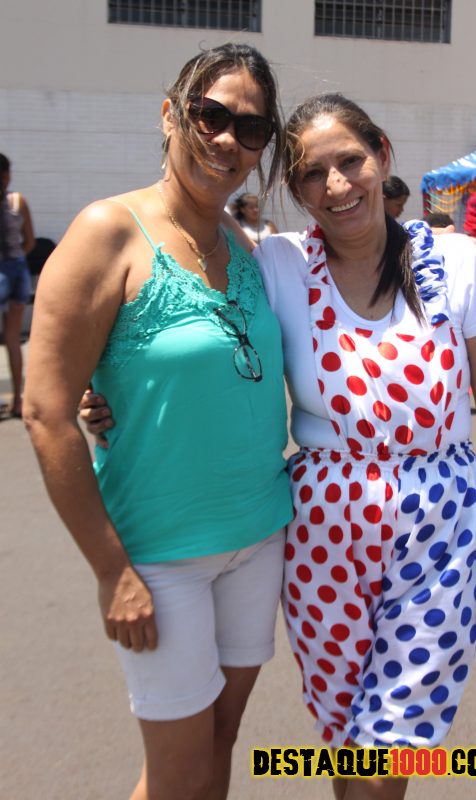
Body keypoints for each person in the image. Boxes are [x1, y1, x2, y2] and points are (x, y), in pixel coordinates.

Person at [82, 93, 476, 800]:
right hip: (323, 535)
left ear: (382, 154)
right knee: (346, 737)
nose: (336, 185)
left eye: (350, 161)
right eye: (312, 174)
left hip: (442, 533)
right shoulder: (277, 264)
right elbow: (188, 316)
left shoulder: (456, 261)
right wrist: (114, 394)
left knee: (390, 750)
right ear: (293, 190)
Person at [23, 43, 293, 800]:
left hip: (258, 537)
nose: (229, 140)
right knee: (178, 773)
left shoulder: (243, 245)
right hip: (159, 558)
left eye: (251, 128)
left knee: (217, 746)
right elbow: (45, 411)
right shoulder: (107, 230)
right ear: (171, 114)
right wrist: (112, 571)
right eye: (212, 115)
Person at [0, 153, 35, 418]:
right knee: (13, 339)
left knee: (12, 339)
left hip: (8, 272)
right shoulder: (15, 201)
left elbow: (30, 240)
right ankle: (16, 401)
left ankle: (15, 401)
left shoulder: (15, 201)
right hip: (15, 271)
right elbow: (29, 241)